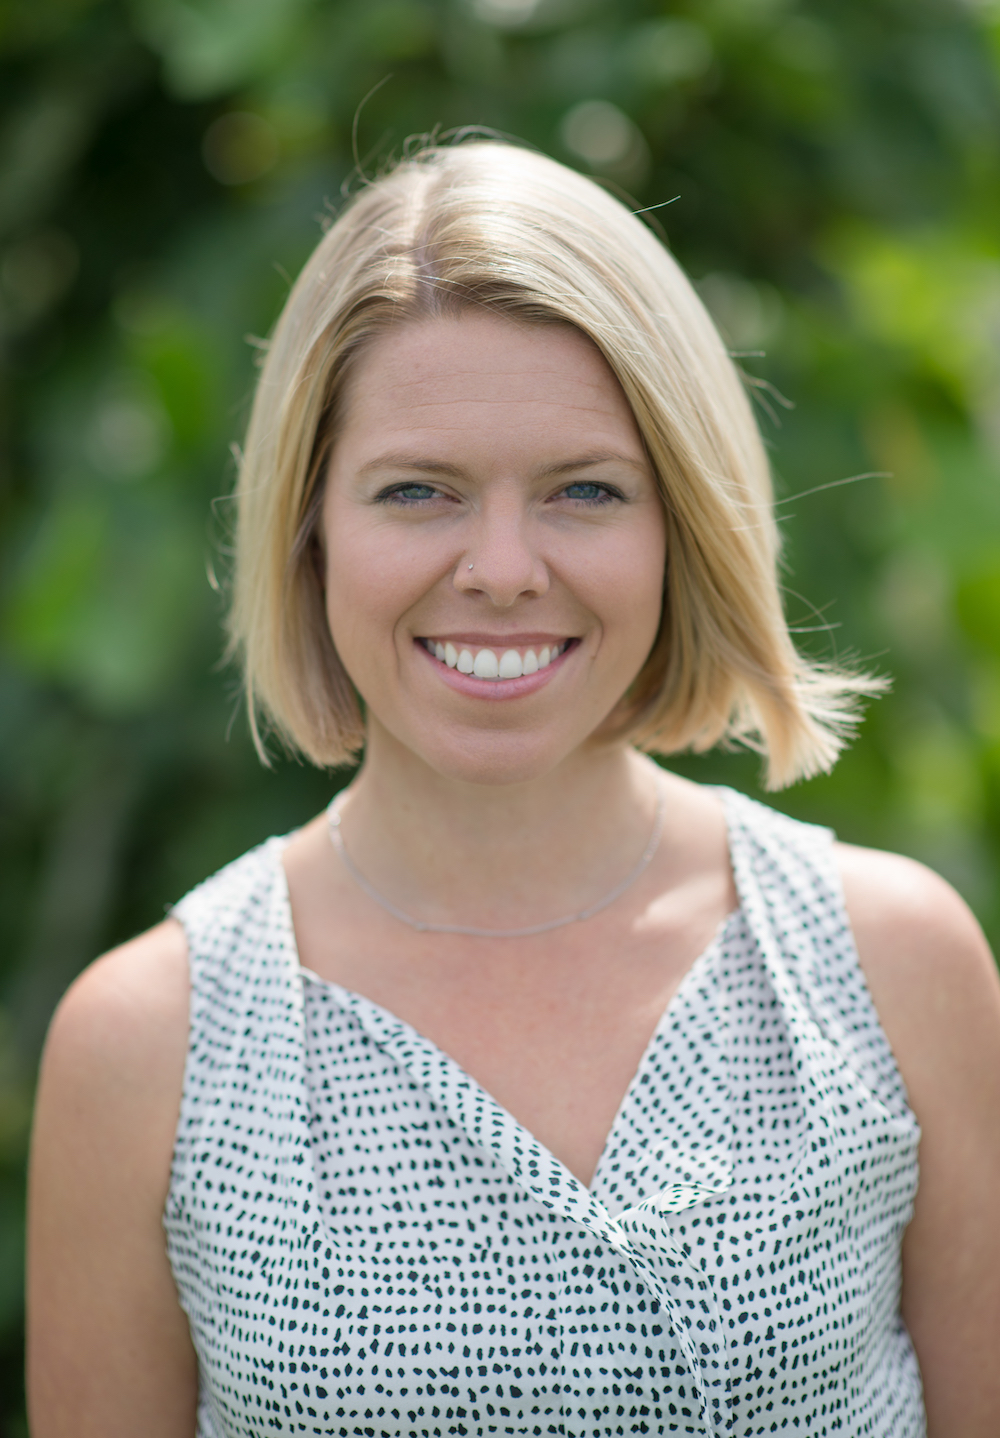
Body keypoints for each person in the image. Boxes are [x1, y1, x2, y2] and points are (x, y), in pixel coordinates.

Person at [26, 139, 1000, 1438]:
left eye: (584, 490)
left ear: (682, 528)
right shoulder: (147, 1047)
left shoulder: (891, 968)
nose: (500, 566)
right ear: (311, 530)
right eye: (418, 490)